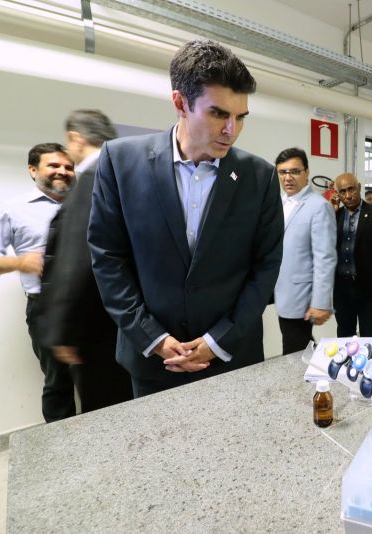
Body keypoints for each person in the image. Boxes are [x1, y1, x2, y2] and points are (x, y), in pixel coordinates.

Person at [88, 40, 284, 397]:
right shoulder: (120, 162)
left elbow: (265, 268)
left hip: (231, 359)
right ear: (180, 103)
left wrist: (217, 339)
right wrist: (155, 338)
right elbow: (108, 258)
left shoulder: (260, 177)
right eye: (218, 113)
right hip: (153, 361)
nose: (232, 130)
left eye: (240, 116)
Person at [0, 143, 76, 422]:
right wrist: (19, 262)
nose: (63, 171)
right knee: (58, 383)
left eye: (68, 166)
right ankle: (65, 454)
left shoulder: (89, 203)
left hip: (94, 303)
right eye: (54, 165)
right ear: (32, 170)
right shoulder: (12, 208)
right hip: (46, 308)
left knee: (104, 375)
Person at [39, 110, 134, 412]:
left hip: (96, 328)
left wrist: (63, 332)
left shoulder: (91, 183)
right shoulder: (128, 178)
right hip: (132, 322)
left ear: (76, 139)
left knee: (105, 409)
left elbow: (77, 264)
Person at [274, 148, 336, 354]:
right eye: (282, 172)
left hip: (301, 295)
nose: (288, 177)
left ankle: (311, 382)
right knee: (298, 347)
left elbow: (325, 258)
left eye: (294, 171)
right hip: (280, 290)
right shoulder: (278, 203)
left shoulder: (319, 206)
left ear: (307, 172)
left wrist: (320, 302)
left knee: (294, 350)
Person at [333, 173, 372, 338]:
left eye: (351, 189)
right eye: (343, 192)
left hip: (367, 289)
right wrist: (330, 211)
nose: (348, 195)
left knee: (370, 335)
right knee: (344, 334)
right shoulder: (335, 215)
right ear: (338, 194)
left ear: (359, 187)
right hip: (341, 289)